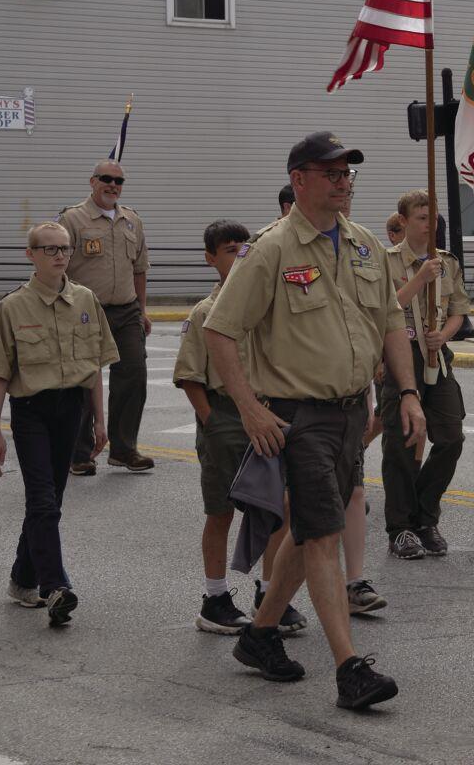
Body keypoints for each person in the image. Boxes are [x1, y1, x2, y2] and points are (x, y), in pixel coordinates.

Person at [203, 131, 423, 712]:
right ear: (299, 180)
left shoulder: (364, 244)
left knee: (309, 530)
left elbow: (391, 322)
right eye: (331, 173)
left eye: (348, 172)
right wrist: (250, 408)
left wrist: (406, 392)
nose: (343, 182)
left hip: (351, 412)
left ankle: (258, 635)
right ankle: (350, 669)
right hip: (298, 417)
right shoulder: (270, 249)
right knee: (324, 535)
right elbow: (219, 331)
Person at [0, 221, 117, 629]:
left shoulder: (86, 299)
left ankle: (23, 580)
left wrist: (100, 421)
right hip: (31, 410)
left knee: (50, 501)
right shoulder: (13, 306)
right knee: (42, 500)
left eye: (65, 248)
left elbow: (94, 366)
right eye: (49, 249)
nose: (59, 256)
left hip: (71, 408)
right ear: (31, 255)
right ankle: (56, 586)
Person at [174, 219, 297, 635]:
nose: (239, 257)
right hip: (225, 416)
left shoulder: (263, 307)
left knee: (279, 507)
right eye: (230, 250)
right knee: (221, 510)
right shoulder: (204, 312)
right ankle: (215, 598)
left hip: (267, 413)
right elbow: (190, 376)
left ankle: (269, 592)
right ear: (211, 258)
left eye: (245, 250)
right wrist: (211, 421)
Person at [382, 190, 471, 559]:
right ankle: (400, 527)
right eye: (421, 218)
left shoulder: (447, 262)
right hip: (402, 355)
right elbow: (386, 309)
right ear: (403, 221)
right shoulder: (387, 261)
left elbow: (458, 310)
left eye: (433, 218)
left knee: (451, 437)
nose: (429, 224)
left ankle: (425, 515)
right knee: (402, 443)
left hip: (437, 356)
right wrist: (419, 278)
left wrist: (444, 335)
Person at [60, 159, 152, 474]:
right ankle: (80, 453)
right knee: (85, 381)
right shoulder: (72, 219)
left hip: (126, 310)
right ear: (92, 181)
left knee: (134, 375)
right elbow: (58, 266)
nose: (113, 185)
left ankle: (124, 449)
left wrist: (142, 310)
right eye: (106, 179)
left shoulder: (132, 220)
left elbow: (140, 269)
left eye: (118, 181)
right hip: (85, 310)